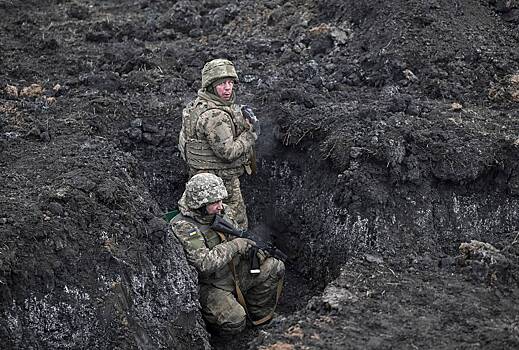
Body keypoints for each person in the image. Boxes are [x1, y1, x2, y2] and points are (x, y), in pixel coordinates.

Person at [170, 173, 284, 336]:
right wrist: (236, 245)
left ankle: (259, 317)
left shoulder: (219, 214)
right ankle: (220, 334)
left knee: (275, 267)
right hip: (211, 285)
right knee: (235, 321)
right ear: (200, 204)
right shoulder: (185, 227)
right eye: (215, 202)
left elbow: (238, 235)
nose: (221, 206)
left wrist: (253, 251)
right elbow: (204, 264)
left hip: (232, 272)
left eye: (221, 201)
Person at [178, 58, 260, 229]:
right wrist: (251, 134)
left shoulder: (196, 106)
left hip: (199, 179)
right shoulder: (215, 116)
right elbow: (228, 153)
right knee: (237, 224)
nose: (228, 88)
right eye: (222, 84)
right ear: (211, 86)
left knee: (204, 222)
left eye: (230, 82)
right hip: (221, 182)